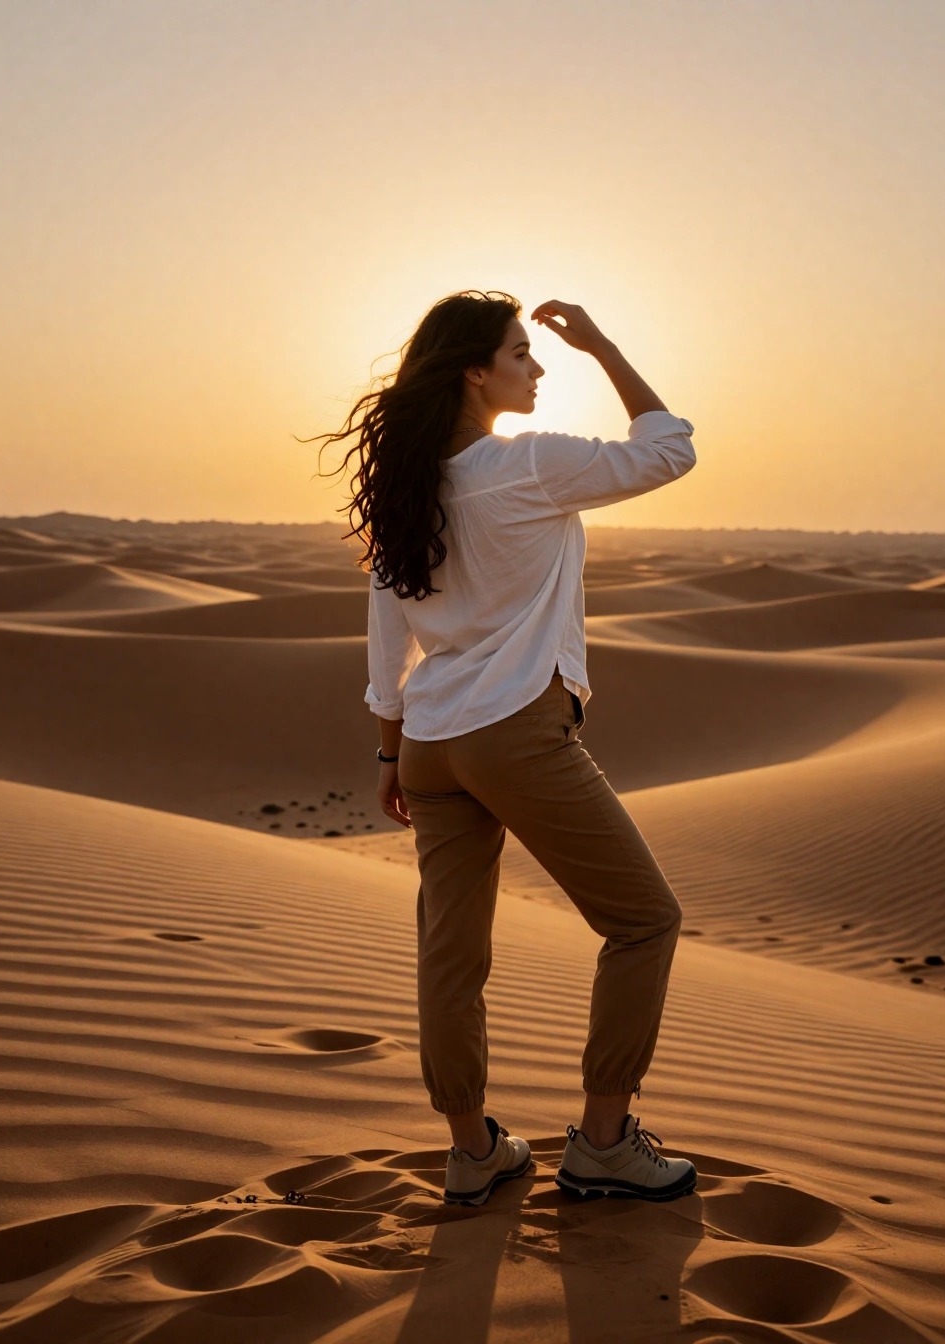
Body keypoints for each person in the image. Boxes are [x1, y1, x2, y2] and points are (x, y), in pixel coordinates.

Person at [321, 290, 698, 1207]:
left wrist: (388, 756)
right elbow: (670, 450)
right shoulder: (527, 464)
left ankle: (472, 1152)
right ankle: (603, 1144)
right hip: (515, 730)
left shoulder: (407, 488)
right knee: (644, 921)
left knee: (451, 958)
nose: (538, 368)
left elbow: (387, 639)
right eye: (521, 354)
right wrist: (604, 345)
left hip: (430, 745)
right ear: (473, 372)